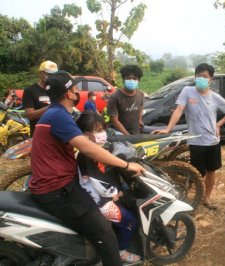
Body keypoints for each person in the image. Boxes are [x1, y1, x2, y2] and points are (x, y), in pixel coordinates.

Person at [28, 70, 145, 266]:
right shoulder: (58, 115)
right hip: (59, 189)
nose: (77, 91)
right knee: (104, 233)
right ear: (69, 94)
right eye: (75, 88)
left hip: (56, 183)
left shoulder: (54, 114)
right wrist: (126, 164)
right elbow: (88, 149)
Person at [153, 63, 225, 210]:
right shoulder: (187, 91)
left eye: (205, 77)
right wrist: (168, 129)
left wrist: (218, 125)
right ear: (195, 77)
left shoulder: (215, 98)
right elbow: (179, 110)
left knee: (211, 170)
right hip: (196, 140)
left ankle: (207, 197)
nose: (201, 79)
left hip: (212, 141)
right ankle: (195, 196)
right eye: (198, 76)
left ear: (211, 79)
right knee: (196, 172)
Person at [76, 112, 141, 264]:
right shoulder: (88, 155)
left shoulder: (94, 150)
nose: (102, 134)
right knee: (131, 221)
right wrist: (114, 193)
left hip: (96, 197)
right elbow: (97, 182)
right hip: (99, 203)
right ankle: (121, 252)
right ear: (86, 135)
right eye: (98, 130)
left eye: (102, 129)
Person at [22, 60, 58, 136]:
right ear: (42, 73)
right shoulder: (30, 90)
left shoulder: (57, 89)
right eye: (49, 74)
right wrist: (50, 107)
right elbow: (30, 115)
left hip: (54, 134)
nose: (52, 77)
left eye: (54, 74)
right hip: (38, 135)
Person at [107, 65, 144, 135]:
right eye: (129, 78)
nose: (132, 81)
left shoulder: (140, 95)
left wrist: (140, 120)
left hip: (135, 132)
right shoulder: (115, 97)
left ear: (139, 80)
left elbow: (141, 107)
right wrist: (127, 135)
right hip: (118, 134)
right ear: (123, 80)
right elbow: (114, 120)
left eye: (134, 78)